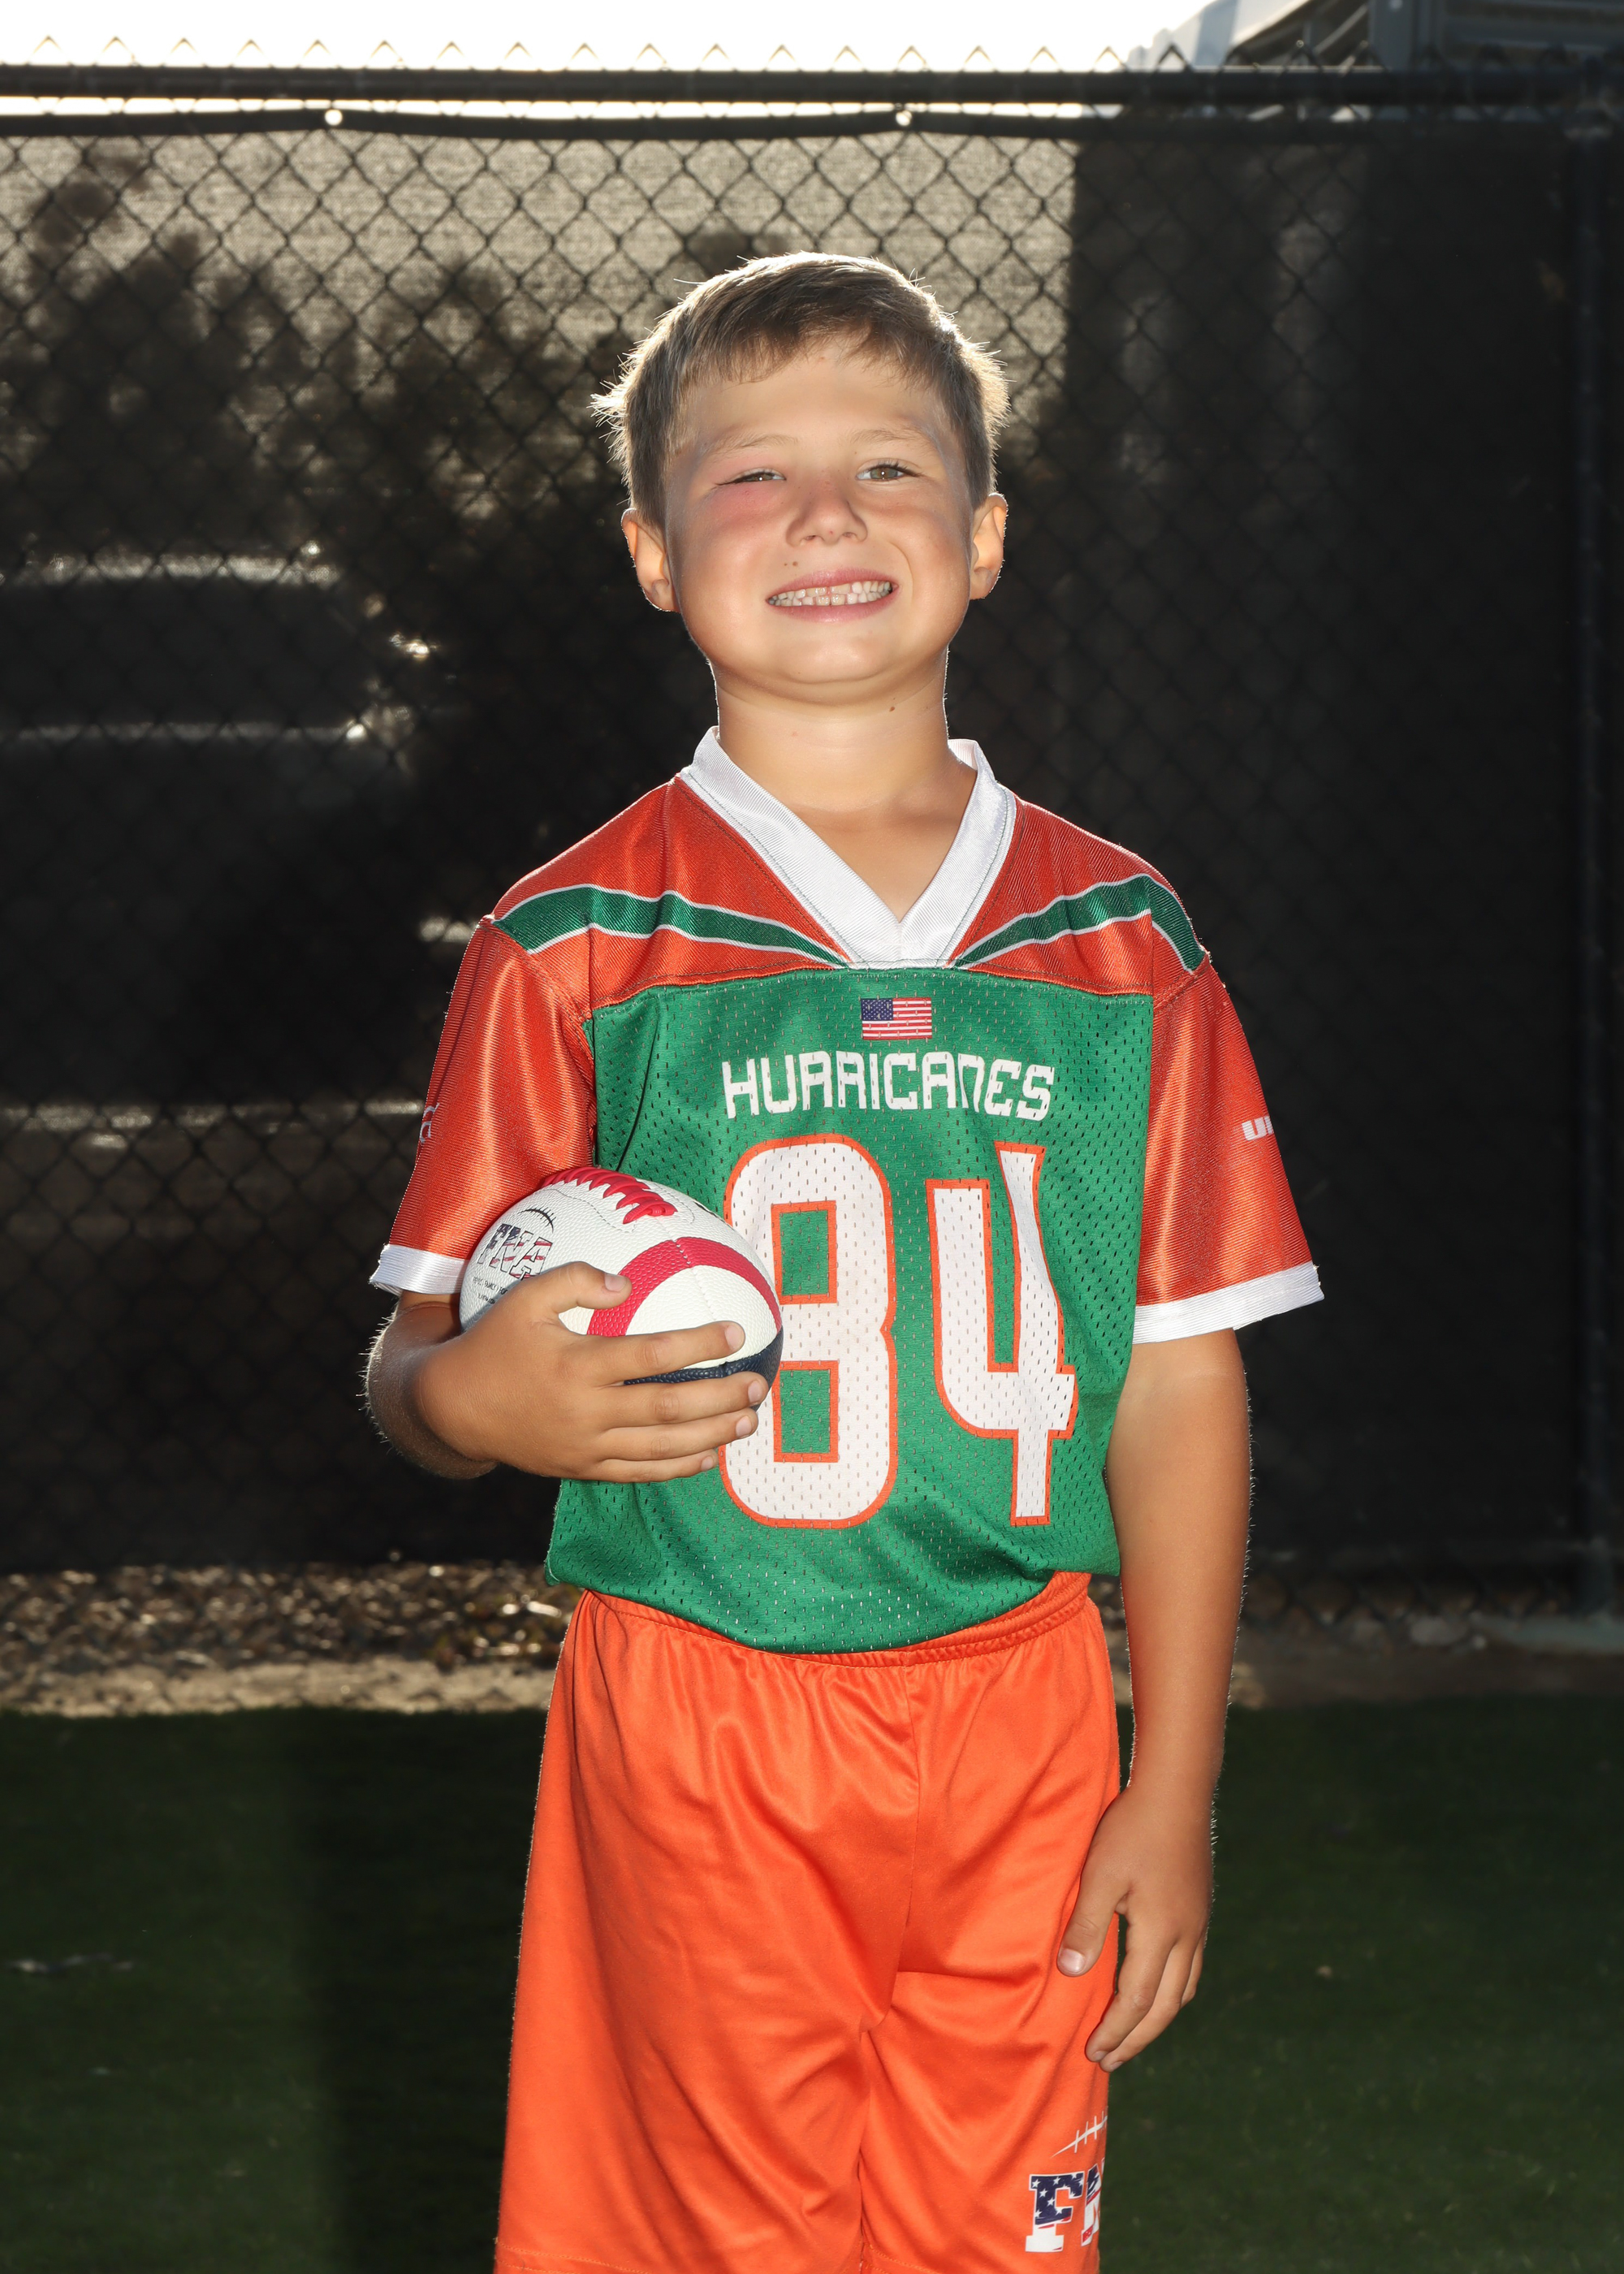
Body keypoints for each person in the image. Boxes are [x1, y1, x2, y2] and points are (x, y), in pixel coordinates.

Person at [365, 252, 1320, 2274]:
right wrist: (463, 1393)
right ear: (653, 552)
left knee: (1007, 2238)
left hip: (1025, 1705)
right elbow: (413, 1361)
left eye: (888, 465)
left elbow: (1178, 1375)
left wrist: (1175, 1782)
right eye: (750, 473)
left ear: (984, 536)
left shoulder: (1124, 938)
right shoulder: (572, 937)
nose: (822, 512)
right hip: (702, 1697)